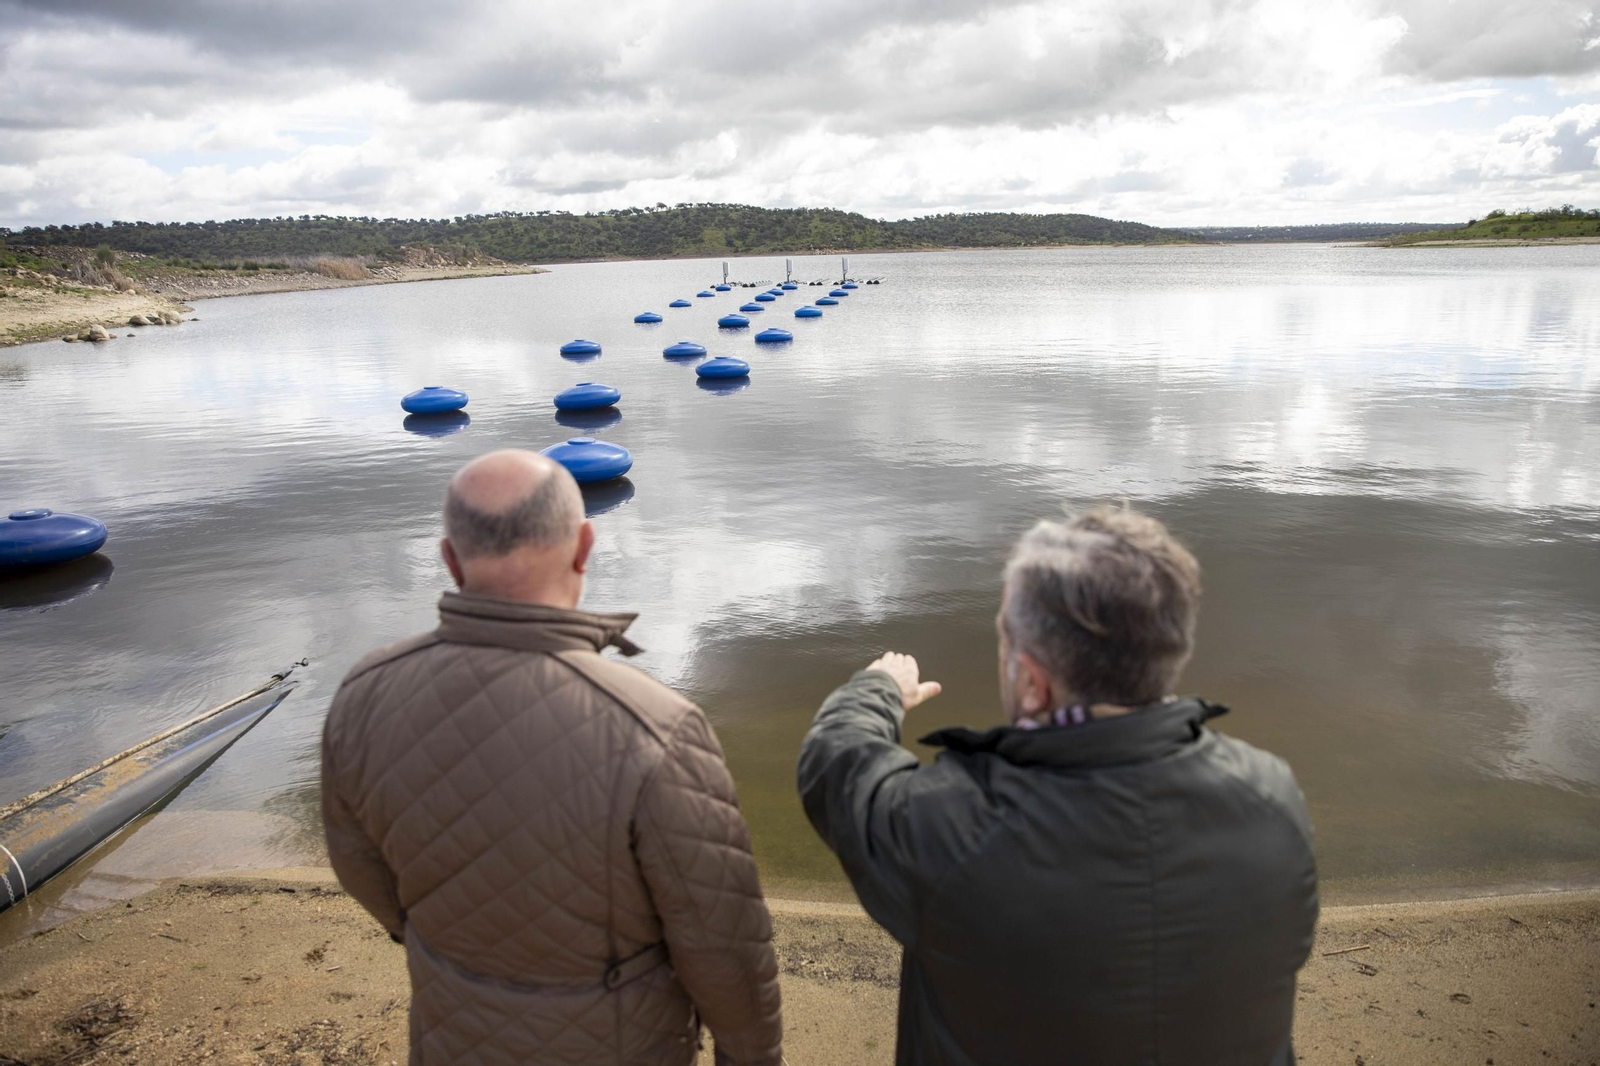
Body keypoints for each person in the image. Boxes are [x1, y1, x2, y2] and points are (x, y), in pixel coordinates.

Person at [797, 506, 1319, 1066]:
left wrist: (880, 689)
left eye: (1005, 641)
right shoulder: (1272, 800)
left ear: (1033, 685)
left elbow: (836, 763)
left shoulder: (951, 835)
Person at [322, 449, 782, 1066]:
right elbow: (722, 945)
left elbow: (359, 866)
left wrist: (440, 940)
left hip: (450, 1033)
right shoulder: (657, 727)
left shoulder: (363, 691)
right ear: (584, 545)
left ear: (450, 559)